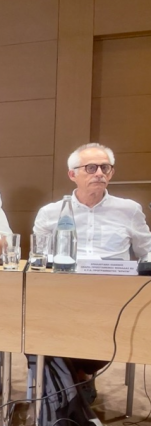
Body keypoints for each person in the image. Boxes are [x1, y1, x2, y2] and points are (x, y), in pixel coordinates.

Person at [33, 142, 151, 400]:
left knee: (102, 329)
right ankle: (66, 381)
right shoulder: (51, 213)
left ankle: (74, 378)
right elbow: (37, 258)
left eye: (105, 168)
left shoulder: (129, 210)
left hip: (111, 297)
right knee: (36, 322)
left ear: (111, 173)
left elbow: (147, 251)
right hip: (61, 294)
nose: (99, 173)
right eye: (91, 168)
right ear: (72, 174)